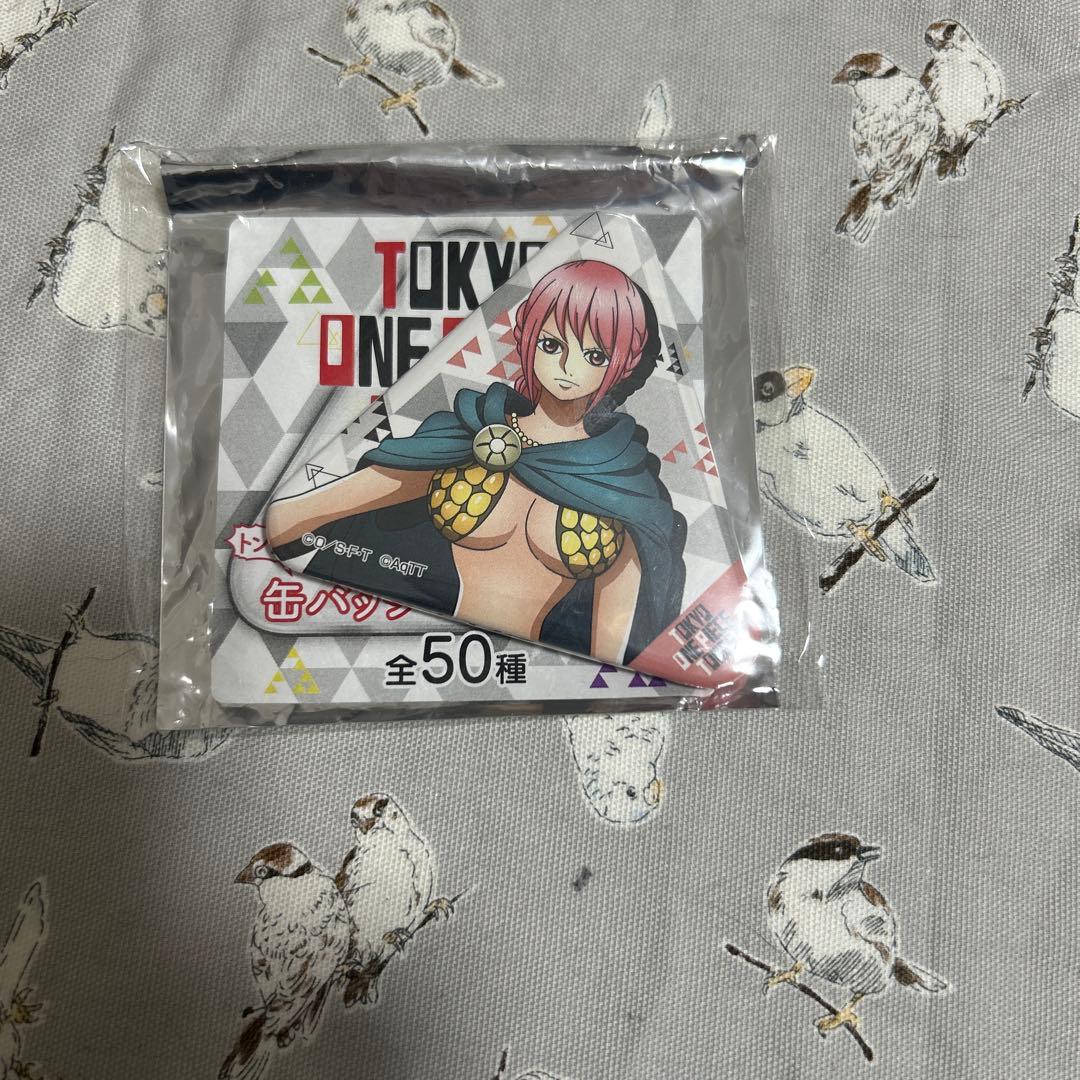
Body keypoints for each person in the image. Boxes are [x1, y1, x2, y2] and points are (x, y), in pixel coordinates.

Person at [266, 259, 686, 666]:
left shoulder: (620, 483)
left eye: (595, 356)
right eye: (552, 345)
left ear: (625, 364)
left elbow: (617, 647)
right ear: (526, 335)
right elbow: (289, 519)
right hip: (418, 652)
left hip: (534, 675)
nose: (567, 368)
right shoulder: (467, 438)